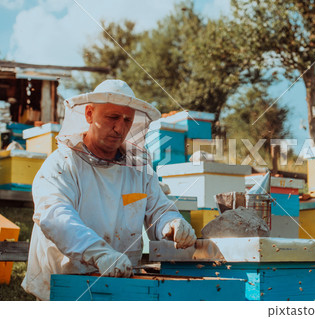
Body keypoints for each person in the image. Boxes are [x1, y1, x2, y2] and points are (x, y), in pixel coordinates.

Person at [22, 79, 196, 300]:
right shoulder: (62, 163)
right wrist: (98, 252)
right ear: (89, 114)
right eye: (112, 117)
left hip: (120, 283)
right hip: (65, 285)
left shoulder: (138, 167)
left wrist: (171, 222)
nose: (120, 128)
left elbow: (158, 209)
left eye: (127, 120)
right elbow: (54, 215)